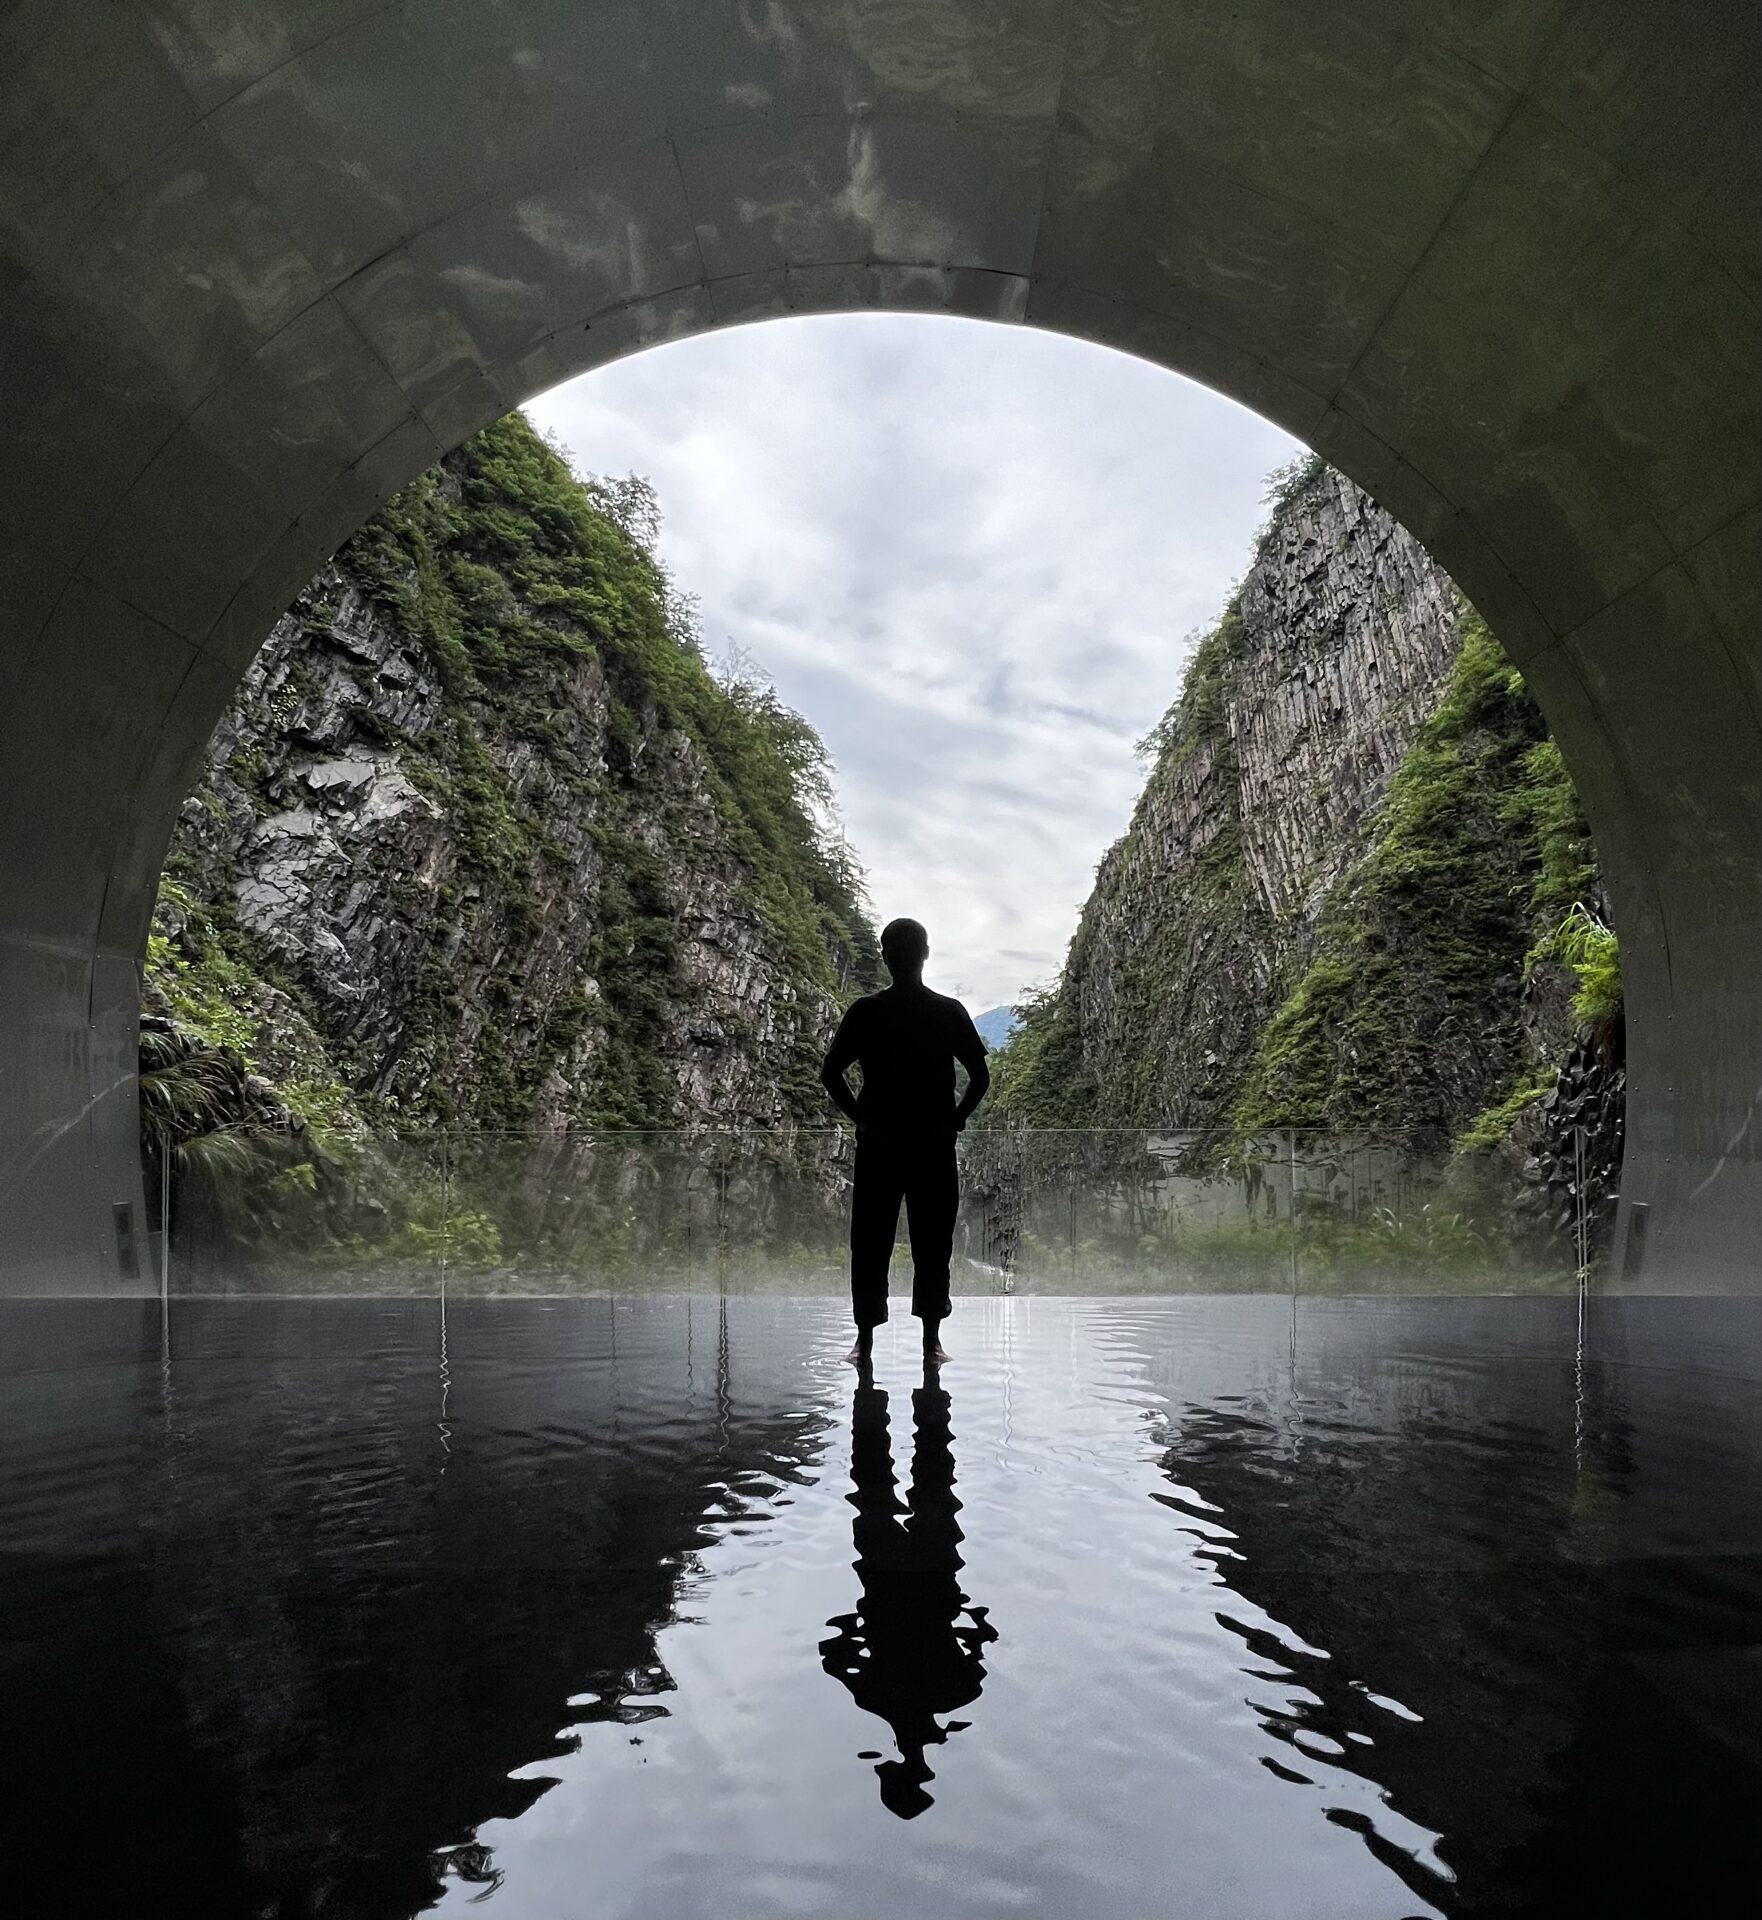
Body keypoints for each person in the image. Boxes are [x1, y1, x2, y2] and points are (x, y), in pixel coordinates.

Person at [818, 1364, 995, 1818]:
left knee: (934, 1474)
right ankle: (875, 1397)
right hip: (883, 1579)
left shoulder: (960, 1694)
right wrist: (857, 1626)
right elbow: (829, 1653)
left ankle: (926, 1394)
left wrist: (972, 1620)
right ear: (896, 1766)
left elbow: (982, 1640)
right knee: (874, 1480)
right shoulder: (873, 1697)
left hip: (935, 1576)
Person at [820, 918, 990, 1365]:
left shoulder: (866, 1011)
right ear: (926, 954)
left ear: (886, 955)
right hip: (934, 1144)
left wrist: (861, 1116)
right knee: (933, 1241)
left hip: (879, 1144)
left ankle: (865, 1343)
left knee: (870, 1241)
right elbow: (980, 1076)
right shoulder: (948, 1011)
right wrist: (956, 1118)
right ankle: (931, 1342)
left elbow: (830, 1073)